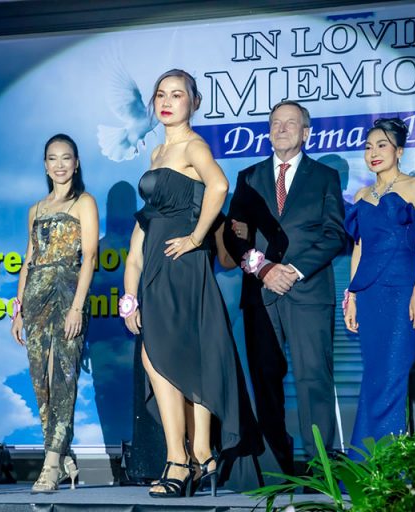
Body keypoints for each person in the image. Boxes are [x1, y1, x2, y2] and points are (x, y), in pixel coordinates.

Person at [122, 69, 261, 498]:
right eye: (161, 94)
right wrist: (130, 293)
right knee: (175, 358)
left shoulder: (193, 145)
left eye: (177, 95)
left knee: (160, 357)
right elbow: (147, 222)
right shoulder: (158, 151)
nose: (166, 102)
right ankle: (199, 453)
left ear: (194, 102)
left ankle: (179, 460)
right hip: (156, 266)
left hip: (181, 266)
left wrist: (197, 238)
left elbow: (219, 186)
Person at [223, 100, 347, 473]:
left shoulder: (325, 176)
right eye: (275, 122)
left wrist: (292, 270)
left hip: (308, 292)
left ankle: (320, 466)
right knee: (264, 381)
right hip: (261, 294)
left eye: (290, 123)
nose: (281, 128)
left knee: (313, 379)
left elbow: (335, 234)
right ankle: (276, 467)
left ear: (306, 132)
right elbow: (233, 237)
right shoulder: (248, 176)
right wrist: (263, 269)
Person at [343, 118, 415, 454]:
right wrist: (352, 297)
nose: (373, 152)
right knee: (373, 375)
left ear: (399, 151)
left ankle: (394, 465)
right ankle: (365, 461)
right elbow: (358, 250)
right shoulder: (361, 195)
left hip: (403, 290)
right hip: (369, 293)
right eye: (368, 147)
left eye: (381, 145)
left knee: (395, 376)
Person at [10, 134, 99, 492]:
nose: (59, 164)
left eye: (66, 158)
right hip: (35, 299)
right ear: (45, 165)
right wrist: (18, 311)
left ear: (76, 164)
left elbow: (89, 257)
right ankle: (64, 457)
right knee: (40, 380)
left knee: (63, 378)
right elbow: (29, 260)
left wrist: (77, 306)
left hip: (67, 295)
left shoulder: (84, 202)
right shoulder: (35, 209)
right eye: (52, 158)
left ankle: (50, 464)